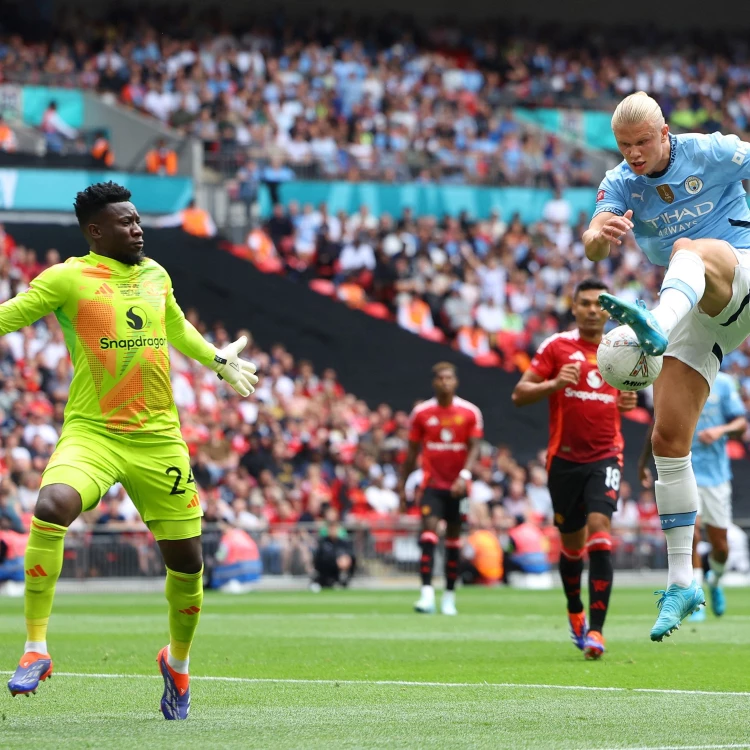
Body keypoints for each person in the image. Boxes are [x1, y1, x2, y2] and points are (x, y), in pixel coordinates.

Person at [4, 182, 258, 720]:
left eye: (138, 219)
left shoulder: (155, 275)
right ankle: (35, 648)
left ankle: (179, 661)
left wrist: (215, 359)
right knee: (51, 507)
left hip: (158, 438)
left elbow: (176, 329)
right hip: (93, 432)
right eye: (126, 222)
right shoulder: (67, 277)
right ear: (96, 231)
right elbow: (10, 316)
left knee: (188, 562)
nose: (137, 228)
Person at [582, 91, 750, 641]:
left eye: (642, 142)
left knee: (688, 249)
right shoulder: (620, 183)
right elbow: (592, 242)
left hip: (737, 270)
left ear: (665, 132)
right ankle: (682, 582)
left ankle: (654, 324)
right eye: (624, 145)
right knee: (668, 439)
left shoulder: (711, 151)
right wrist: (597, 239)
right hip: (700, 311)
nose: (633, 153)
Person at [512, 278, 637, 659]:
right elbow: (519, 394)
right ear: (574, 307)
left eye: (598, 304)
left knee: (600, 532)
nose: (592, 310)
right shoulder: (557, 347)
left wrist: (629, 399)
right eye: (584, 303)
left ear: (608, 309)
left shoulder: (621, 347)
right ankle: (575, 611)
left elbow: (635, 387)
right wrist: (553, 383)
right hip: (564, 461)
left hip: (606, 455)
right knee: (571, 547)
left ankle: (597, 633)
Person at [638, 371, 746, 622]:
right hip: (682, 470)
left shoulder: (724, 383)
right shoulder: (674, 376)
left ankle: (715, 581)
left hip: (716, 478)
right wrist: (643, 461)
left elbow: (741, 424)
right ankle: (693, 597)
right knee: (692, 533)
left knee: (721, 546)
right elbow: (657, 422)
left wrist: (721, 430)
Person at [398, 362, 483, 616]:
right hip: (432, 485)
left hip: (460, 487)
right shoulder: (421, 413)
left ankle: (449, 596)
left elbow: (475, 447)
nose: (445, 382)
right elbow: (412, 453)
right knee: (428, 533)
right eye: (441, 378)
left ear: (455, 382)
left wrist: (464, 475)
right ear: (434, 382)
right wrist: (402, 487)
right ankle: (426, 595)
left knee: (454, 541)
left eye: (449, 378)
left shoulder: (470, 412)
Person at [311, 510, 355, 589]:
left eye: (334, 528)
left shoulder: (343, 541)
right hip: (326, 570)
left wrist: (346, 559)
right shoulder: (323, 542)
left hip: (341, 568)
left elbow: (351, 554)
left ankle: (343, 579)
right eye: (331, 528)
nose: (333, 530)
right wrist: (336, 561)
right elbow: (320, 558)